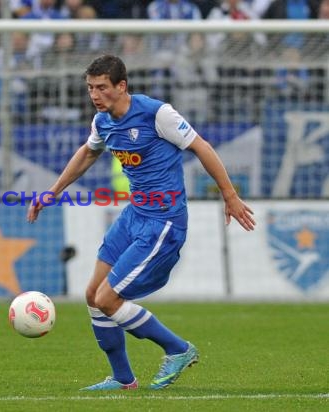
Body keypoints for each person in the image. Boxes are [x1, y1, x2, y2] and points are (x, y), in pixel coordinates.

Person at [27, 55, 255, 390]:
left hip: (163, 220)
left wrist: (230, 195)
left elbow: (201, 146)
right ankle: (123, 379)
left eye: (102, 87)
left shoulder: (156, 113)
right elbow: (88, 153)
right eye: (90, 88)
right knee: (93, 295)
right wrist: (53, 191)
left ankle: (178, 349)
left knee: (107, 299)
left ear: (122, 86)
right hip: (135, 214)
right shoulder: (103, 121)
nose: (95, 94)